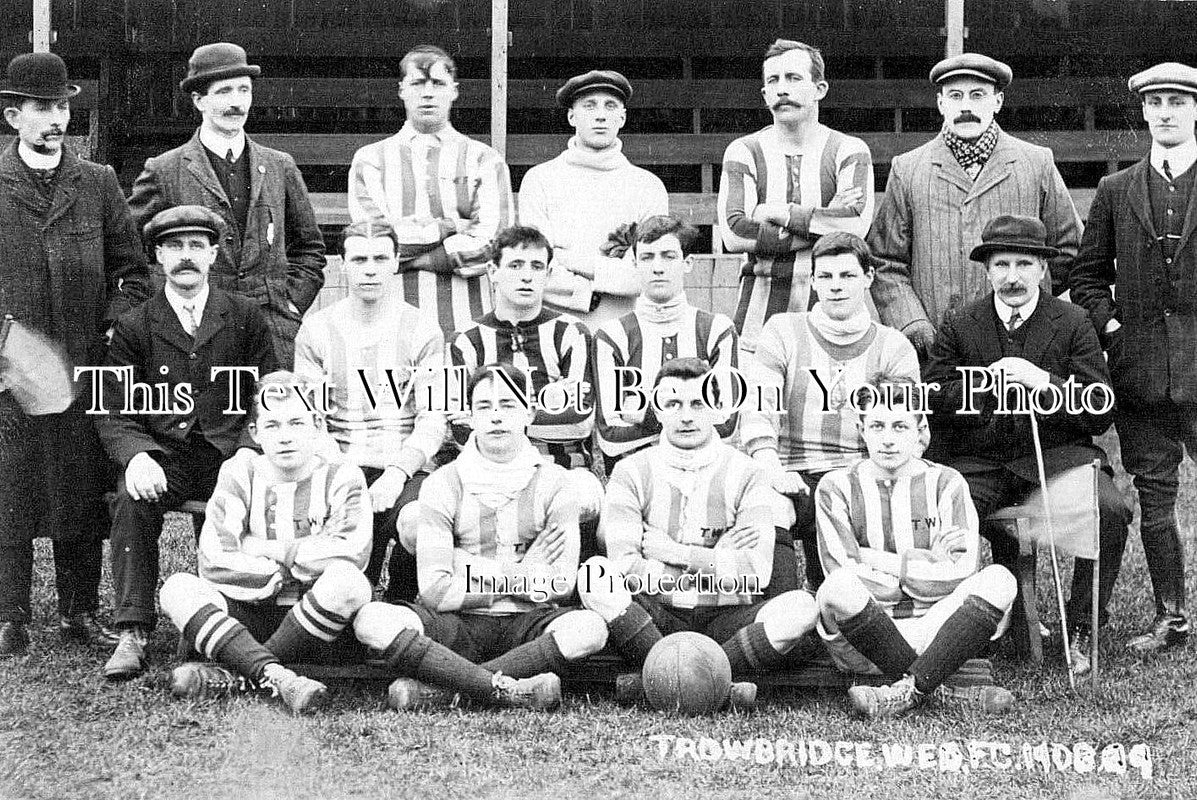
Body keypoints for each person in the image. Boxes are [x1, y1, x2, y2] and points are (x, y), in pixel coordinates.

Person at [926, 214, 1130, 675]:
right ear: (987, 269)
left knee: (1110, 511)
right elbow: (934, 396)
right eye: (1001, 264)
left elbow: (1099, 412)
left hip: (1057, 461)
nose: (1012, 277)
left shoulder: (1074, 321)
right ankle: (957, 626)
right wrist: (985, 387)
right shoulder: (961, 323)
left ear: (1043, 269)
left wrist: (1045, 383)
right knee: (940, 515)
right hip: (982, 464)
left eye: (1023, 264)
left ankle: (1081, 624)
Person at [0, 52, 149, 657]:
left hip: (83, 366)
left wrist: (111, 334)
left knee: (80, 489)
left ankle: (79, 610)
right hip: (10, 367)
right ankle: (9, 614)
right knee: (10, 487)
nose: (55, 118)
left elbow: (133, 272)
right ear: (13, 116)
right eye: (41, 108)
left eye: (62, 106)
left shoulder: (99, 181)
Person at [352, 363, 608, 711]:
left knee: (591, 627)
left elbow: (561, 584)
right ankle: (503, 687)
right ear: (471, 418)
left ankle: (446, 690)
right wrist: (520, 573)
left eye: (508, 405)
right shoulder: (442, 483)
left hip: (527, 624)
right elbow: (435, 590)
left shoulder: (557, 483)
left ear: (528, 413)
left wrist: (466, 567)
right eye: (484, 407)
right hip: (455, 627)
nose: (496, 417)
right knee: (372, 621)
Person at [95, 205, 277, 680]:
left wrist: (247, 450)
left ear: (214, 253)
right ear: (157, 256)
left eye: (197, 245)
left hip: (227, 452)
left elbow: (270, 393)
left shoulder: (244, 316)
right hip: (165, 455)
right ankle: (132, 630)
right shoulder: (136, 325)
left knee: (251, 497)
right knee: (131, 499)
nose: (186, 257)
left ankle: (229, 618)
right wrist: (137, 456)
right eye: (174, 246)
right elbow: (111, 406)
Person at [578, 358, 818, 709]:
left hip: (726, 619)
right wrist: (719, 559)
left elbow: (755, 573)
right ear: (657, 411)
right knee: (595, 576)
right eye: (673, 404)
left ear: (718, 410)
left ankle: (670, 680)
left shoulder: (749, 474)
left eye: (697, 403)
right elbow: (624, 567)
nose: (686, 416)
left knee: (801, 607)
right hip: (657, 616)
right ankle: (713, 682)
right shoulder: (630, 472)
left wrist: (675, 553)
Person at [1070, 62, 1197, 654]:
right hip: (1141, 374)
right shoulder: (1116, 190)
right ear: (1143, 112)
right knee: (1154, 497)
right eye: (1156, 103)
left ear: (1194, 110)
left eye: (1177, 101)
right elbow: (1087, 278)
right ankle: (1172, 617)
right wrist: (1115, 327)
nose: (1166, 112)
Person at [158, 372, 372, 714]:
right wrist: (288, 571)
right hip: (250, 613)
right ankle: (278, 675)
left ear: (317, 425)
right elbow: (213, 559)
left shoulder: (343, 473)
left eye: (296, 423)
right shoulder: (239, 471)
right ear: (256, 433)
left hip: (317, 621)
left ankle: (238, 674)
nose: (285, 437)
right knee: (176, 588)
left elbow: (351, 552)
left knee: (348, 583)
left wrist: (262, 548)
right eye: (272, 426)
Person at [815, 375, 1018, 718]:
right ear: (861, 429)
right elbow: (841, 570)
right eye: (877, 425)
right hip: (866, 637)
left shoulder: (947, 483)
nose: (888, 440)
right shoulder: (835, 486)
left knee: (1000, 579)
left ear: (920, 428)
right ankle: (941, 693)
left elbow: (964, 569)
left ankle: (904, 692)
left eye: (900, 426)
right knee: (837, 587)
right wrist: (928, 564)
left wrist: (880, 561)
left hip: (936, 629)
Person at [869, 53, 1081, 358]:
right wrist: (913, 324)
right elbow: (885, 260)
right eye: (956, 96)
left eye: (978, 95)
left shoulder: (1036, 163)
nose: (966, 106)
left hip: (1023, 346)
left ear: (998, 101)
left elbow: (1070, 248)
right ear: (941, 104)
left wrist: (1028, 300)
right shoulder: (908, 169)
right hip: (937, 347)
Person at [127, 42, 325, 368]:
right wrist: (171, 306)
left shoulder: (279, 166)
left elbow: (310, 249)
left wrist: (289, 304)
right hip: (192, 335)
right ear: (199, 100)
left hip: (270, 333)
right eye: (224, 92)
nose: (236, 103)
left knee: (269, 415)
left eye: (244, 90)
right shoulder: (164, 170)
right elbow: (131, 252)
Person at [741, 232, 919, 593]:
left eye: (848, 276)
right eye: (825, 277)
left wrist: (873, 474)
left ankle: (854, 615)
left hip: (861, 471)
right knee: (768, 508)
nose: (836, 287)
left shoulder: (892, 345)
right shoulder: (782, 330)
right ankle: (786, 613)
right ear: (813, 280)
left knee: (850, 570)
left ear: (868, 278)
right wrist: (770, 465)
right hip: (793, 471)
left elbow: (912, 431)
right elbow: (761, 405)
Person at [294, 220, 445, 603]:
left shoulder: (422, 328)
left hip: (404, 466)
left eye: (380, 258)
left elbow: (432, 419)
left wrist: (396, 473)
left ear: (395, 262)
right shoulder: (316, 331)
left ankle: (403, 597)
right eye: (359, 259)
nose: (370, 268)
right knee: (342, 571)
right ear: (342, 264)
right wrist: (344, 473)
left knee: (417, 522)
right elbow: (312, 421)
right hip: (339, 462)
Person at [717, 39, 874, 357]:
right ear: (764, 95)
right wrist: (824, 222)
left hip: (834, 316)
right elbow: (734, 232)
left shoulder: (848, 149)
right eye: (773, 81)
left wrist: (778, 212)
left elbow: (856, 226)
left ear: (820, 88)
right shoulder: (744, 150)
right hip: (756, 322)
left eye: (793, 78)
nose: (782, 89)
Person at [449, 225, 602, 552]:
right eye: (515, 265)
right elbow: (460, 427)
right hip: (488, 474)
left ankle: (571, 584)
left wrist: (498, 415)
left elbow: (577, 421)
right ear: (493, 271)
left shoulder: (572, 333)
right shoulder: (466, 342)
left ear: (548, 274)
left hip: (562, 468)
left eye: (536, 267)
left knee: (585, 494)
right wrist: (543, 407)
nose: (527, 276)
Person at [349, 44, 514, 339]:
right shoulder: (370, 160)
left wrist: (416, 258)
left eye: (438, 83)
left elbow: (494, 244)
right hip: (392, 318)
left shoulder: (484, 159)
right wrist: (451, 226)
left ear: (454, 90)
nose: (427, 93)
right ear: (401, 90)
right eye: (417, 83)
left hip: (469, 319)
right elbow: (376, 241)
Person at [519, 70, 669, 327]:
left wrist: (572, 260)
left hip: (625, 330)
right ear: (571, 116)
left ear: (622, 117)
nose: (600, 115)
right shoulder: (540, 180)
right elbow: (533, 267)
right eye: (589, 106)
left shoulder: (647, 186)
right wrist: (585, 294)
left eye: (610, 106)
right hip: (552, 327)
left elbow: (646, 274)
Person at [594, 215, 738, 468]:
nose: (657, 267)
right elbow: (610, 437)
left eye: (668, 256)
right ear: (635, 264)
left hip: (705, 470)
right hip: (638, 473)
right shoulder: (611, 336)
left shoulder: (717, 329)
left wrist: (638, 410)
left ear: (687, 263)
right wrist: (695, 411)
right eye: (647, 257)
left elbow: (727, 425)